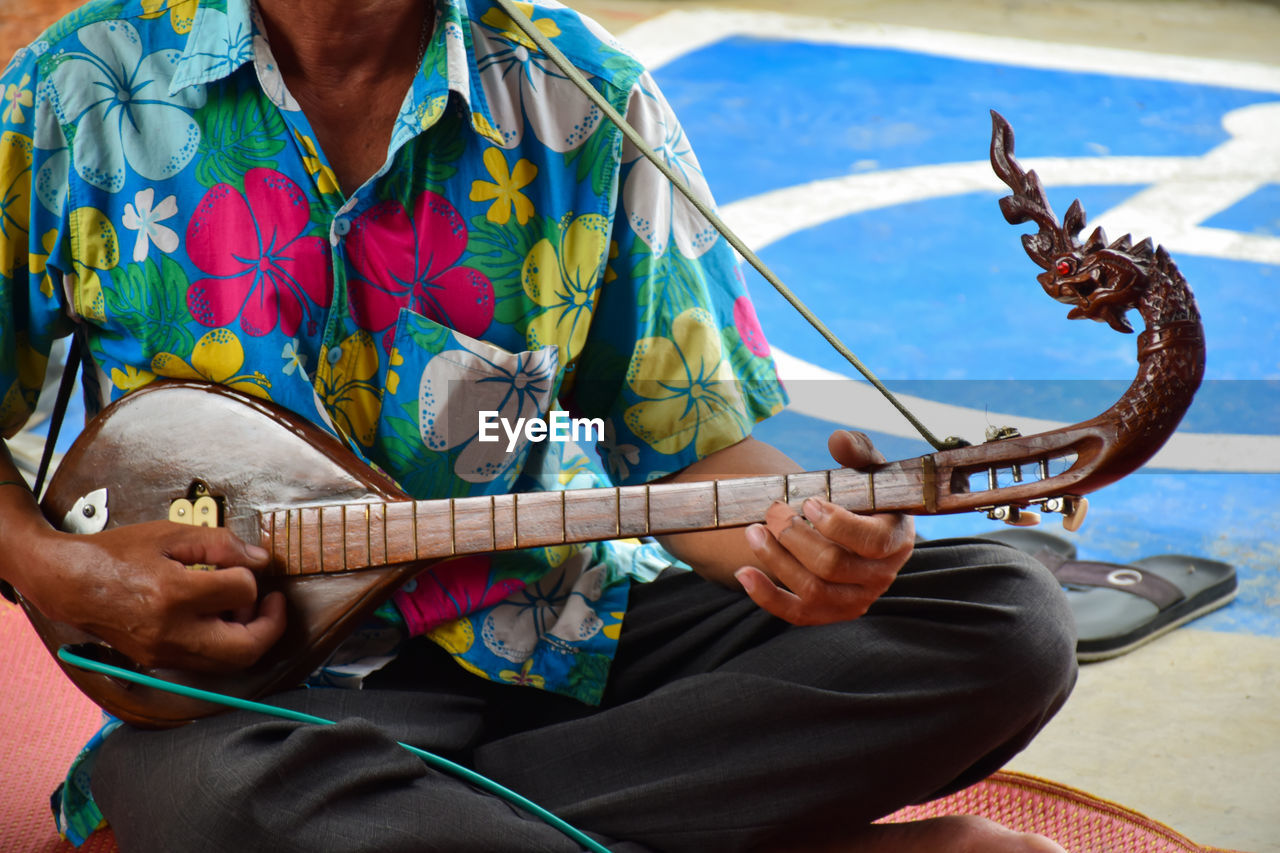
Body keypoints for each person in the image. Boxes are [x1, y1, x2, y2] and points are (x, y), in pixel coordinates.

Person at [0, 0, 1076, 850]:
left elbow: (689, 441)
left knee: (1004, 619)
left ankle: (420, 822)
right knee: (221, 799)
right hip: (264, 699)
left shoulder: (580, 93)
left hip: (570, 641)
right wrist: (58, 571)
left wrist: (801, 545)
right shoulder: (81, 91)